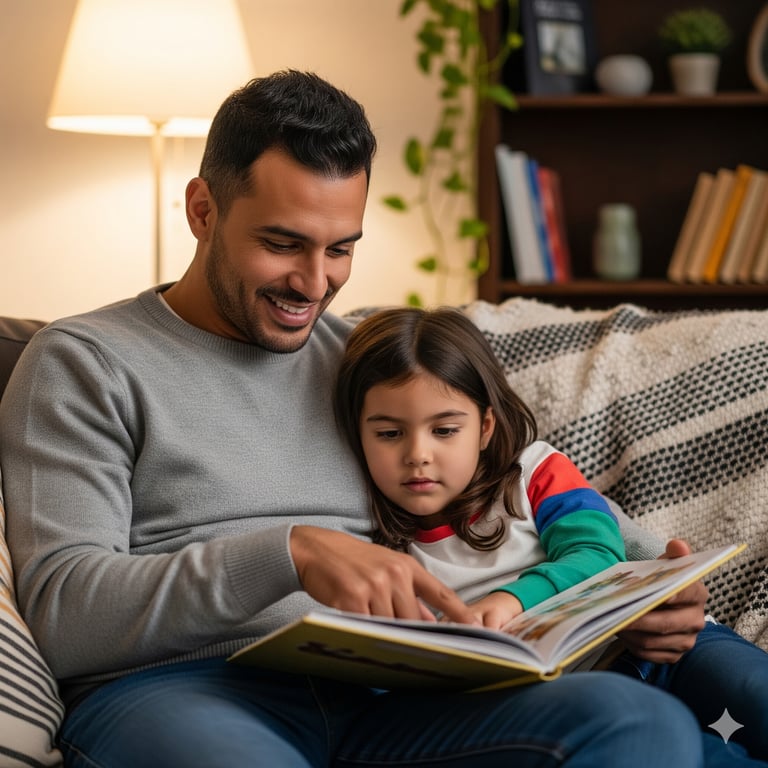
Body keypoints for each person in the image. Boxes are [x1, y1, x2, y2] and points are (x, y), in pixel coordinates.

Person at [0, 70, 711, 768]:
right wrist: (291, 552)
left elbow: (525, 485)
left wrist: (652, 588)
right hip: (180, 693)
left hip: (387, 693)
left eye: (341, 248)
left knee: (635, 723)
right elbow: (65, 619)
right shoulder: (85, 362)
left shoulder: (362, 361)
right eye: (282, 244)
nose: (314, 285)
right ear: (202, 210)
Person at [334, 305, 768, 765]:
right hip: (583, 701)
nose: (417, 454)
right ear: (356, 435)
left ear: (484, 428)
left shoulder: (535, 472)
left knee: (755, 695)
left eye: (444, 430)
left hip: (663, 651)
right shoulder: (366, 540)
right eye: (388, 433)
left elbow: (599, 552)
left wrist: (511, 600)